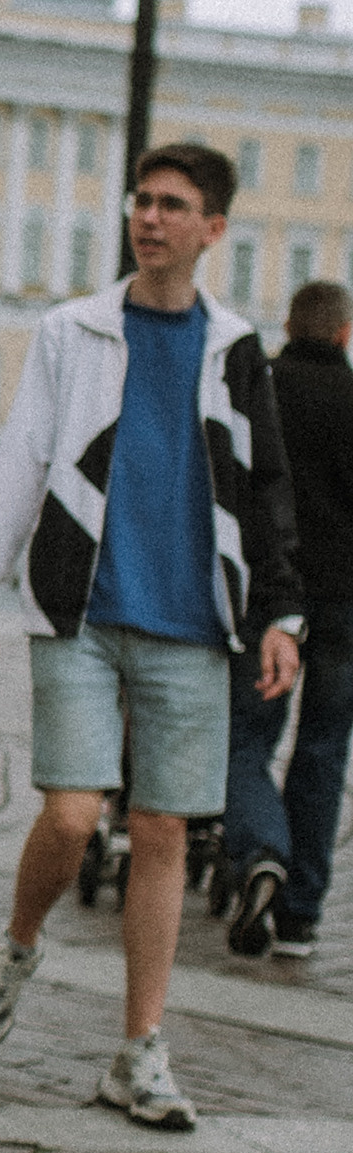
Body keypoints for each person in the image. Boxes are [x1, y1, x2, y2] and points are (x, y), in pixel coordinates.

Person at [0, 143, 302, 1130]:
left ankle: (140, 1050)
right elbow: (23, 456)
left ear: (212, 229)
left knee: (163, 832)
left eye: (173, 205)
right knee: (71, 815)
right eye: (141, 201)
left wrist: (280, 613)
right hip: (84, 608)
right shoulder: (74, 331)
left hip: (195, 625)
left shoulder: (237, 348)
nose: (150, 218)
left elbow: (267, 488)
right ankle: (17, 944)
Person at [216, 280, 353, 957]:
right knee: (324, 749)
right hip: (344, 606)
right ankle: (300, 912)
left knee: (246, 737)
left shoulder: (259, 385)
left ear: (290, 324)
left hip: (269, 593)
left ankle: (261, 848)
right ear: (344, 333)